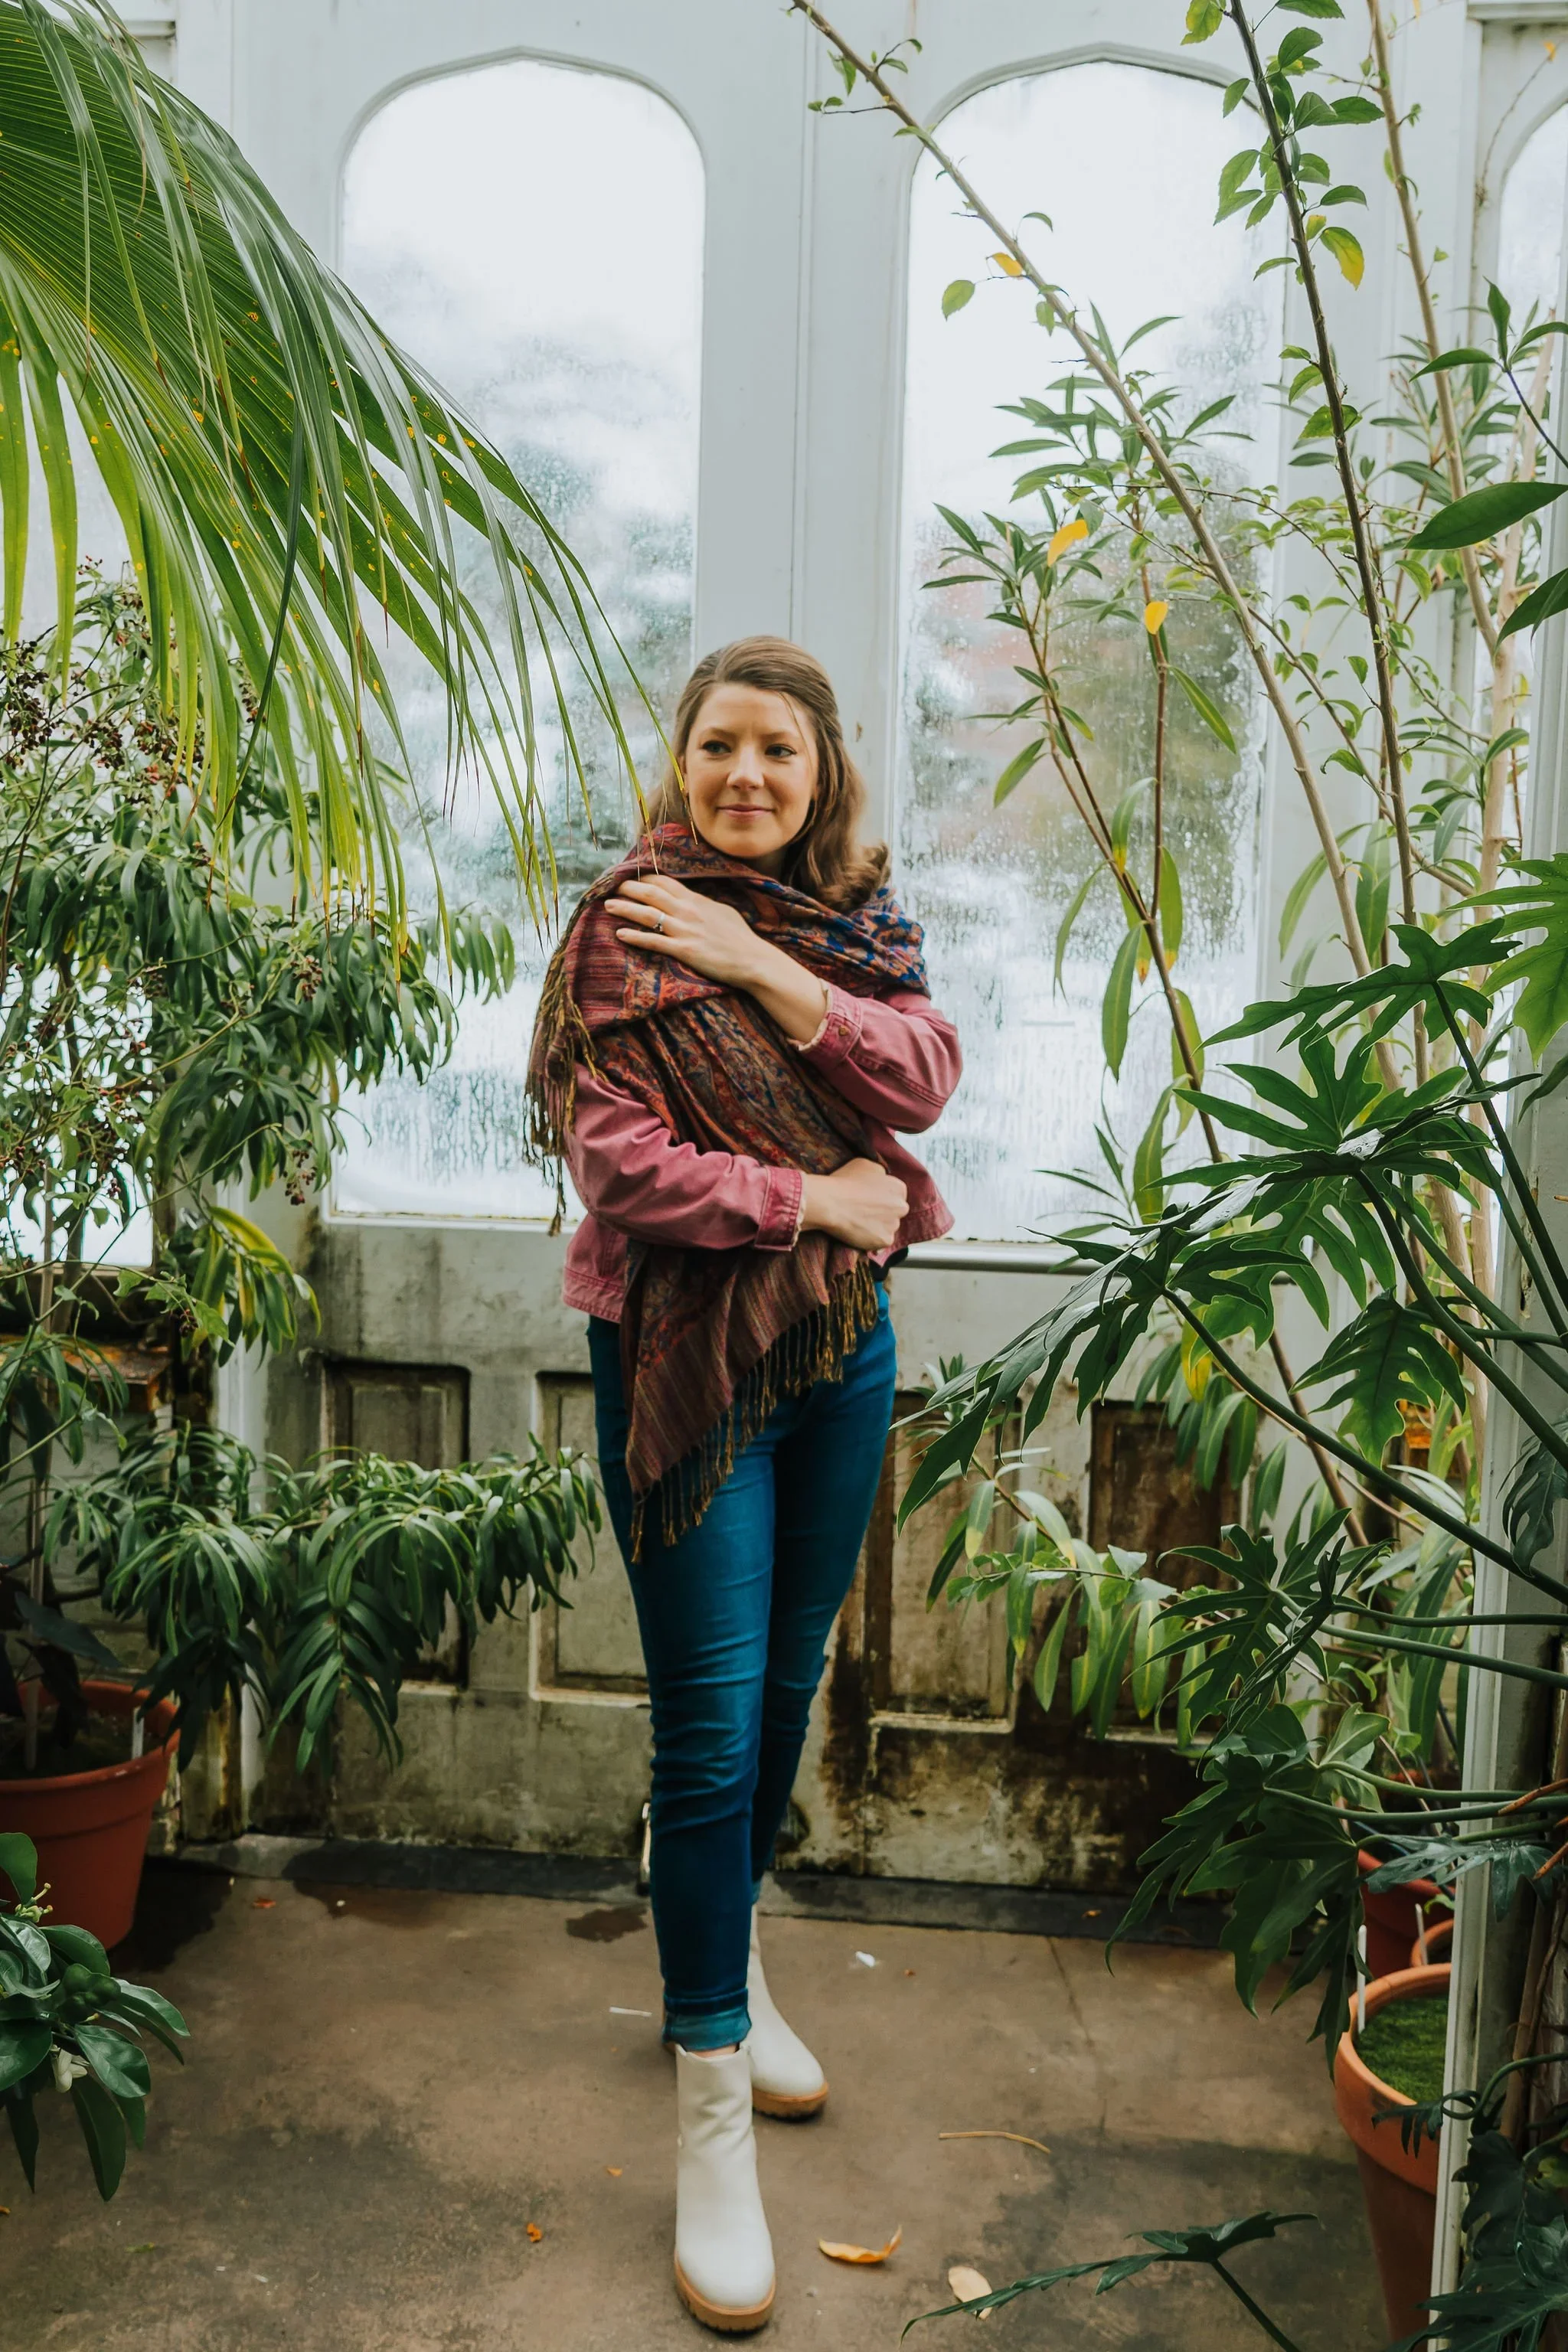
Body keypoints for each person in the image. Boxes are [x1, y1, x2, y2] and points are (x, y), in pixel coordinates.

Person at [527, 635, 960, 2333]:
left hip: (835, 1357)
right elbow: (619, 1163)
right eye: (718, 746)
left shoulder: (848, 925)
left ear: (819, 767)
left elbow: (917, 1078)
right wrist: (816, 1207)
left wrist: (763, 970)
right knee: (706, 1730)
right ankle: (714, 2112)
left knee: (786, 1688)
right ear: (682, 757)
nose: (745, 777)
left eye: (776, 749)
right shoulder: (623, 925)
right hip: (683, 1357)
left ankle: (732, 1959)